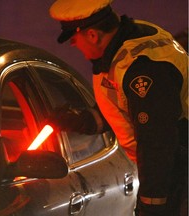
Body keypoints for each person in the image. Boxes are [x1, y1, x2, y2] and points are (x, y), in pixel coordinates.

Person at [49, 0, 188, 215]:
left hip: (179, 171)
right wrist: (81, 120)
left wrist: (152, 203)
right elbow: (124, 107)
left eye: (74, 39)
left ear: (93, 35)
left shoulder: (142, 69)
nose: (73, 45)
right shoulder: (124, 44)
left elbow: (157, 144)